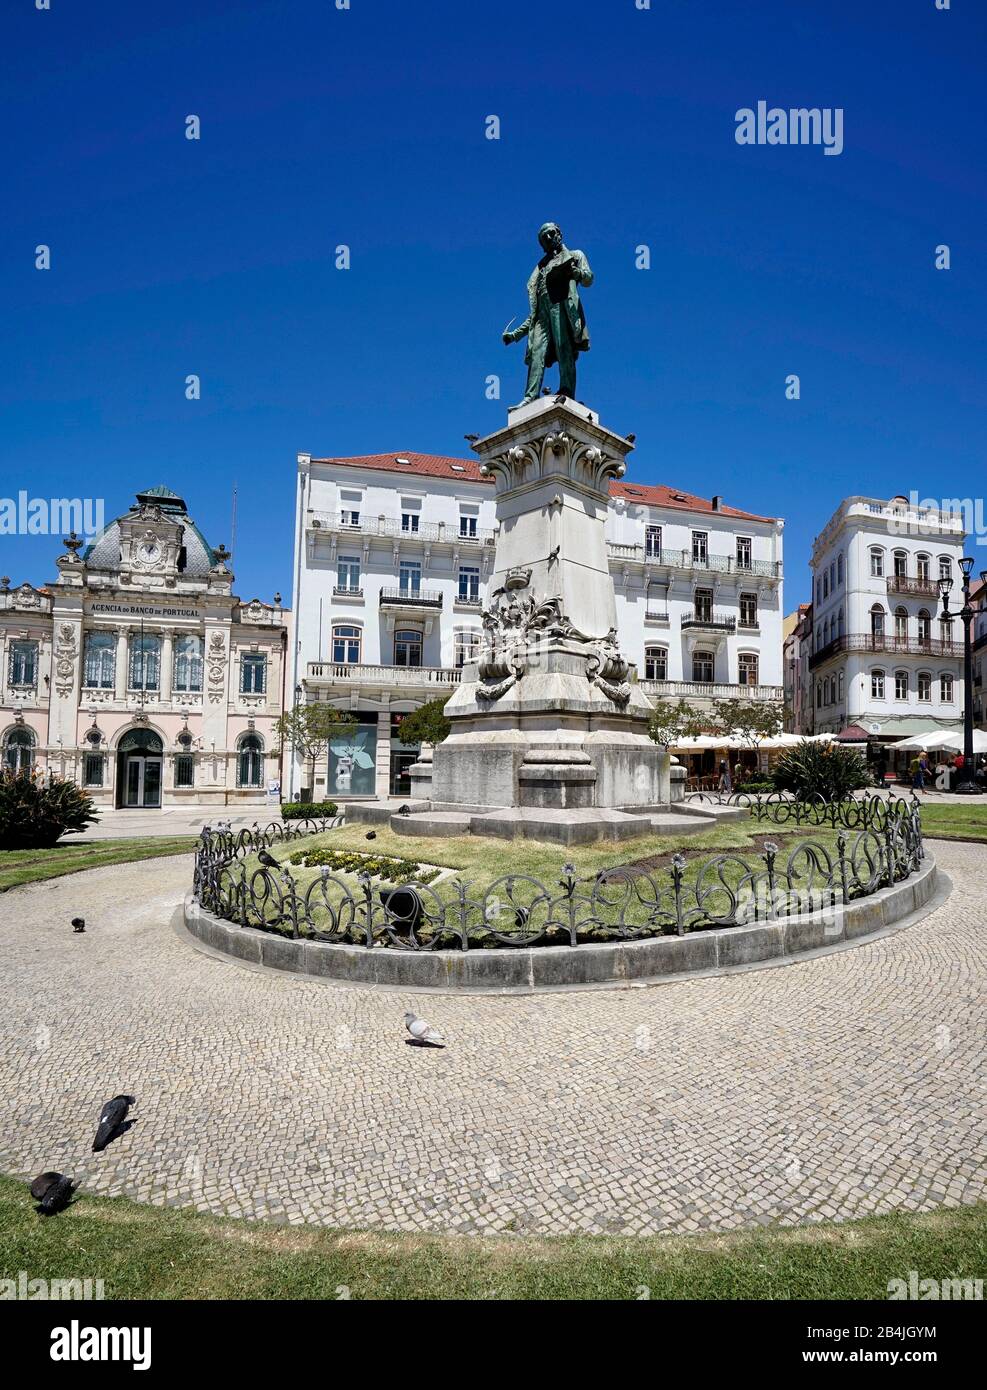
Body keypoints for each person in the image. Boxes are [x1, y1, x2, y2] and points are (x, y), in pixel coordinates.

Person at [503, 223, 594, 405]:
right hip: (543, 314)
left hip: (562, 307)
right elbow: (534, 313)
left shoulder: (575, 255)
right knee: (536, 353)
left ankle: (567, 390)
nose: (549, 238)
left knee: (563, 348)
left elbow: (589, 278)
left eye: (551, 234)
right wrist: (515, 335)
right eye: (544, 238)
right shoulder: (540, 267)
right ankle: (530, 397)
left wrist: (577, 273)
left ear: (559, 233)